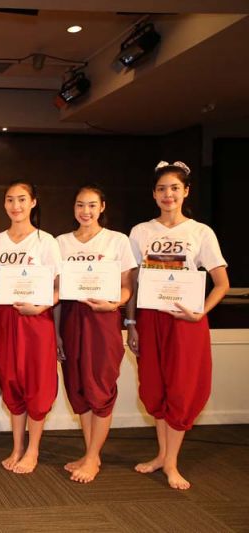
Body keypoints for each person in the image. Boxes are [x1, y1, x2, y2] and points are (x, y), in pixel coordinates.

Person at [126, 161, 229, 490]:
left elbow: (222, 283)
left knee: (182, 389)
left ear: (186, 191)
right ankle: (161, 454)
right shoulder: (140, 232)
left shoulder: (201, 232)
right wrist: (131, 323)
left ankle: (171, 462)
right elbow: (133, 282)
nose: (167, 194)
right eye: (161, 189)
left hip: (185, 322)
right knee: (154, 388)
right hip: (149, 319)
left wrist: (200, 312)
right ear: (153, 194)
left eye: (174, 188)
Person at [55, 185, 137, 483]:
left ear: (102, 207)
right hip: (71, 318)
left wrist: (115, 304)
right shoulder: (61, 242)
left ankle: (92, 458)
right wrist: (56, 333)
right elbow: (57, 289)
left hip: (103, 319)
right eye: (80, 205)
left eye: (91, 205)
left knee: (100, 387)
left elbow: (128, 286)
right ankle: (91, 452)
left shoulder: (117, 241)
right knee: (78, 387)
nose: (85, 211)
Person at [0, 181, 61, 474]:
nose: (16, 206)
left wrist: (42, 306)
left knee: (37, 383)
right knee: (11, 381)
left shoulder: (46, 242)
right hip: (6, 319)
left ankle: (33, 449)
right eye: (10, 200)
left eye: (22, 199)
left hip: (36, 321)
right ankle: (17, 446)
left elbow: (61, 286)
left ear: (33, 202)